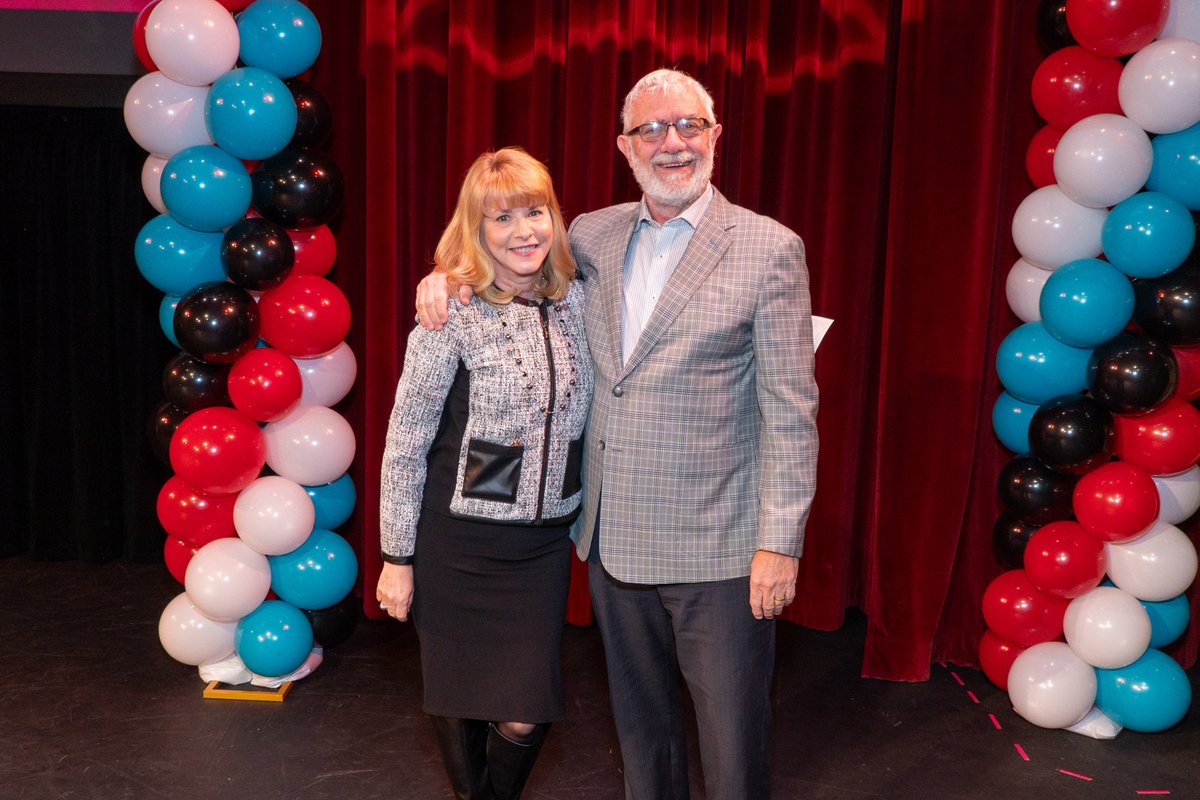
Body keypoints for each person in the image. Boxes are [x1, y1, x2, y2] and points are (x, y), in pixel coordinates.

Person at [417, 69, 818, 800]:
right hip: (611, 543)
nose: (672, 145)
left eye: (688, 126)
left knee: (731, 745)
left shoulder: (769, 249)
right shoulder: (590, 237)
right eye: (651, 130)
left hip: (720, 549)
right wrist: (447, 278)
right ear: (624, 146)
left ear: (715, 136)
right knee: (642, 735)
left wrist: (779, 542)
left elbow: (790, 409)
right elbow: (509, 263)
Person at [377, 147, 594, 800]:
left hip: (538, 549)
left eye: (535, 212)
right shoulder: (453, 315)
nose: (523, 231)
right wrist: (397, 556)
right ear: (477, 229)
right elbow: (406, 440)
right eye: (502, 219)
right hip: (458, 542)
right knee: (458, 695)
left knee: (524, 713)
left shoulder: (582, 303)